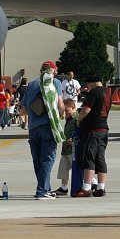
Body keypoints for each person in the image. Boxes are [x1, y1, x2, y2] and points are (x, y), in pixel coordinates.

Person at [20, 60, 65, 200]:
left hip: (33, 128)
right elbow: (60, 103)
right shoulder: (55, 82)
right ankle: (42, 191)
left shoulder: (32, 84)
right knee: (47, 159)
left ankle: (45, 188)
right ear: (52, 71)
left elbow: (23, 108)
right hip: (48, 126)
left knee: (38, 161)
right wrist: (62, 114)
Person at [74, 73, 110, 197]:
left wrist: (79, 119)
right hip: (104, 129)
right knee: (100, 158)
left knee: (89, 156)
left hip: (92, 129)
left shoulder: (94, 93)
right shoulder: (107, 93)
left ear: (93, 82)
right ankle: (101, 188)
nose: (87, 87)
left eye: (88, 84)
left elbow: (86, 109)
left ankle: (86, 188)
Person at [53, 98, 79, 196]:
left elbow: (80, 131)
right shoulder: (68, 118)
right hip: (66, 149)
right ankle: (63, 187)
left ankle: (92, 182)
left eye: (67, 110)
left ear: (73, 107)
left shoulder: (77, 118)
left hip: (73, 149)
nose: (65, 113)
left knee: (77, 169)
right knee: (63, 168)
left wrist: (74, 138)